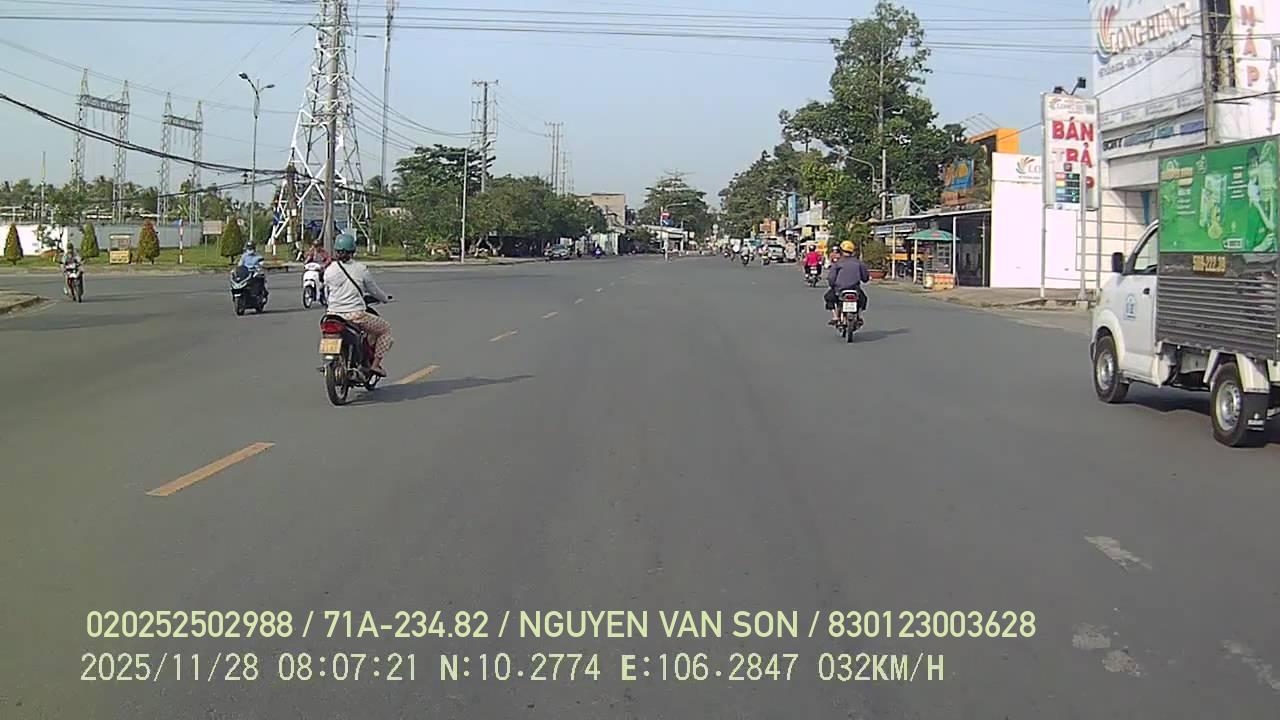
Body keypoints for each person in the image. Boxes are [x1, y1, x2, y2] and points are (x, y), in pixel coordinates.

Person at [324, 232, 394, 377]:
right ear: (353, 251)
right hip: (355, 315)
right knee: (385, 329)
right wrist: (384, 299)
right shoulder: (361, 269)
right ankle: (375, 365)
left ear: (336, 251)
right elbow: (374, 290)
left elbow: (326, 291)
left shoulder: (329, 270)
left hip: (333, 315)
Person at [825, 240, 870, 326]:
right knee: (863, 299)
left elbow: (831, 278)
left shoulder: (838, 263)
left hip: (839, 289)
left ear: (841, 251)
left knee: (828, 297)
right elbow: (865, 277)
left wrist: (832, 285)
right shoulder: (859, 263)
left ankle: (835, 316)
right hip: (855, 289)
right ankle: (859, 316)